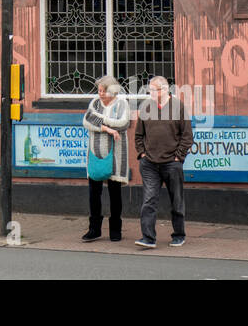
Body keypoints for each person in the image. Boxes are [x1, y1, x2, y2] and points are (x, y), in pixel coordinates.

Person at [133, 75, 192, 248]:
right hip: (149, 163)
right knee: (149, 200)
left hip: (171, 163)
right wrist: (142, 154)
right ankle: (148, 238)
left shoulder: (178, 107)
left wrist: (178, 157)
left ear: (165, 90)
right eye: (149, 89)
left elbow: (187, 136)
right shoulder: (146, 107)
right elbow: (138, 135)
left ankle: (179, 234)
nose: (150, 93)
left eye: (154, 90)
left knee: (177, 200)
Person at [81, 74, 130, 243]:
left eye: (103, 91)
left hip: (116, 154)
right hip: (95, 152)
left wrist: (100, 122)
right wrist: (108, 128)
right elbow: (86, 121)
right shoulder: (94, 103)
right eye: (99, 90)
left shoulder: (122, 103)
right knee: (94, 194)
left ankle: (115, 230)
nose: (100, 93)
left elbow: (124, 124)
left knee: (115, 193)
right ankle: (94, 229)